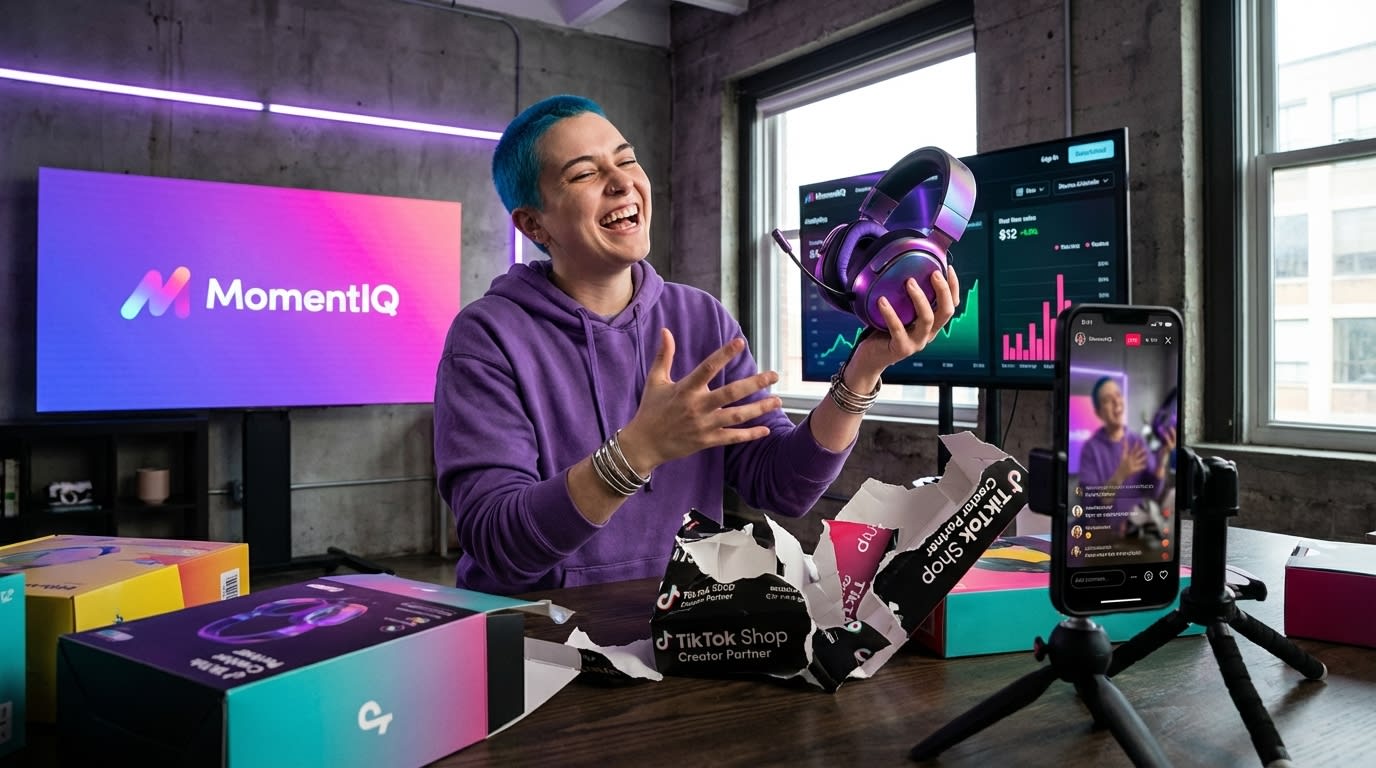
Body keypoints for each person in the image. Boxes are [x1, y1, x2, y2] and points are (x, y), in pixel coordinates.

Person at [433, 94, 960, 594]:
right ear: (533, 224)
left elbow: (783, 487)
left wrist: (863, 373)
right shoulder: (487, 338)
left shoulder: (700, 317)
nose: (622, 183)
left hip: (679, 630)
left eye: (627, 160)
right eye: (586, 173)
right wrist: (638, 450)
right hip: (539, 640)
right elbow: (498, 543)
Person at [1076, 376, 1176, 529]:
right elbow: (1091, 508)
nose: (1116, 402)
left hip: (1134, 533)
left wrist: (1163, 457)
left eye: (1118, 395)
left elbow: (1153, 492)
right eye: (1108, 400)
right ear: (1098, 412)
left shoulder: (1137, 441)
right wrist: (1120, 474)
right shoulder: (1091, 449)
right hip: (1102, 536)